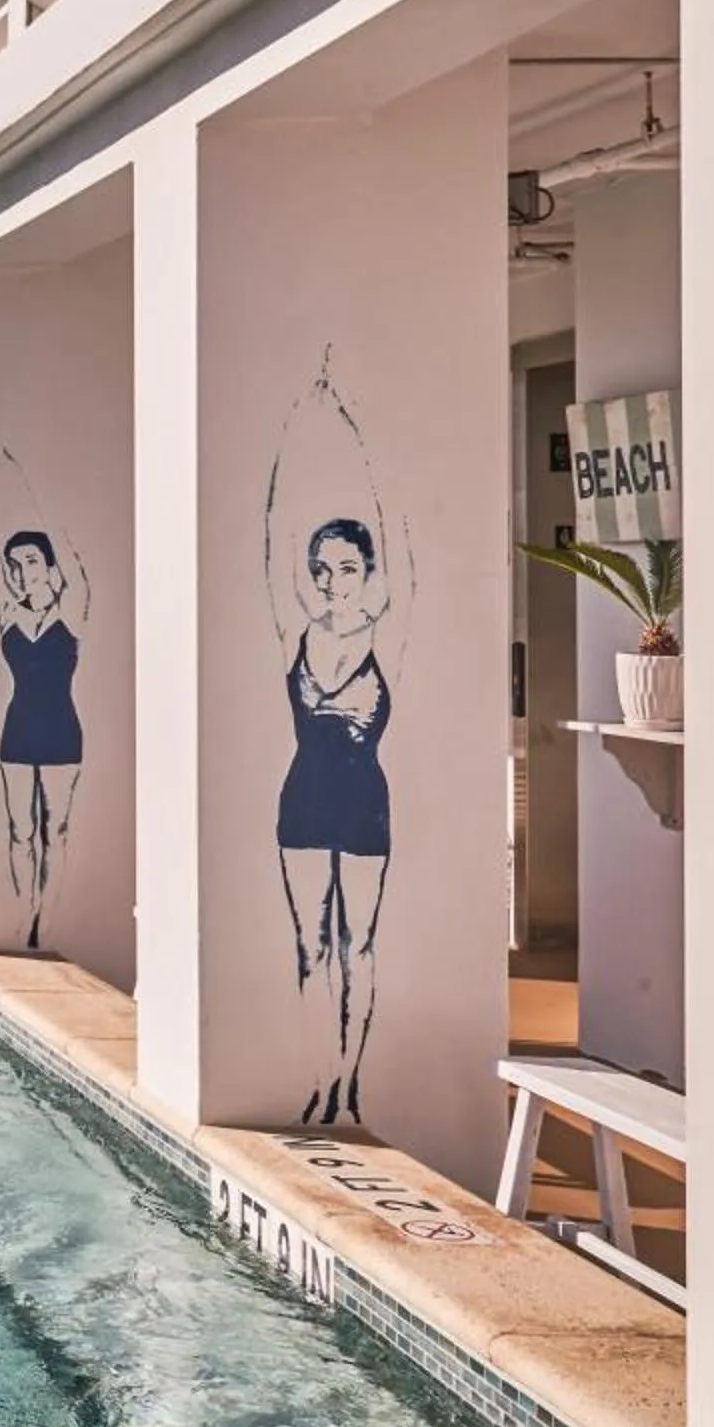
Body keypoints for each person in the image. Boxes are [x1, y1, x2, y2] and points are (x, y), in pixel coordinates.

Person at [265, 365, 406, 1128]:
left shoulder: (388, 639)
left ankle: (352, 1080)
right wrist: (291, 440)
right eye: (322, 570)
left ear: (369, 573)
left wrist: (368, 447)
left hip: (363, 804)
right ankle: (320, 1077)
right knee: (309, 947)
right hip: (301, 801)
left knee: (361, 945)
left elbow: (404, 560)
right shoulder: (298, 633)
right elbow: (271, 553)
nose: (332, 581)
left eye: (348, 568)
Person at [0, 445, 87, 950]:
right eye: (14, 565)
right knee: (20, 829)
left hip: (62, 727)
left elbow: (76, 561)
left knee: (55, 828)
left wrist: (35, 487)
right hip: (17, 728)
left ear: (47, 564)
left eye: (31, 561)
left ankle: (49, 914)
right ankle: (26, 913)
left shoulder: (73, 612)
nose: (22, 572)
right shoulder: (7, 613)